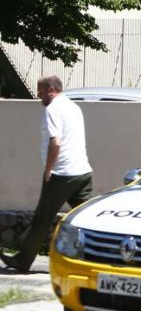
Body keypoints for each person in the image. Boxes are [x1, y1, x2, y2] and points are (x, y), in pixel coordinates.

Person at [1, 76, 93, 273]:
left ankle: (23, 261)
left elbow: (56, 141)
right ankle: (102, 257)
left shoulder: (53, 109)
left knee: (42, 220)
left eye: (41, 91)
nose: (38, 95)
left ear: (51, 89)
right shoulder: (73, 107)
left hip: (62, 174)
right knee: (90, 219)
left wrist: (49, 169)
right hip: (83, 172)